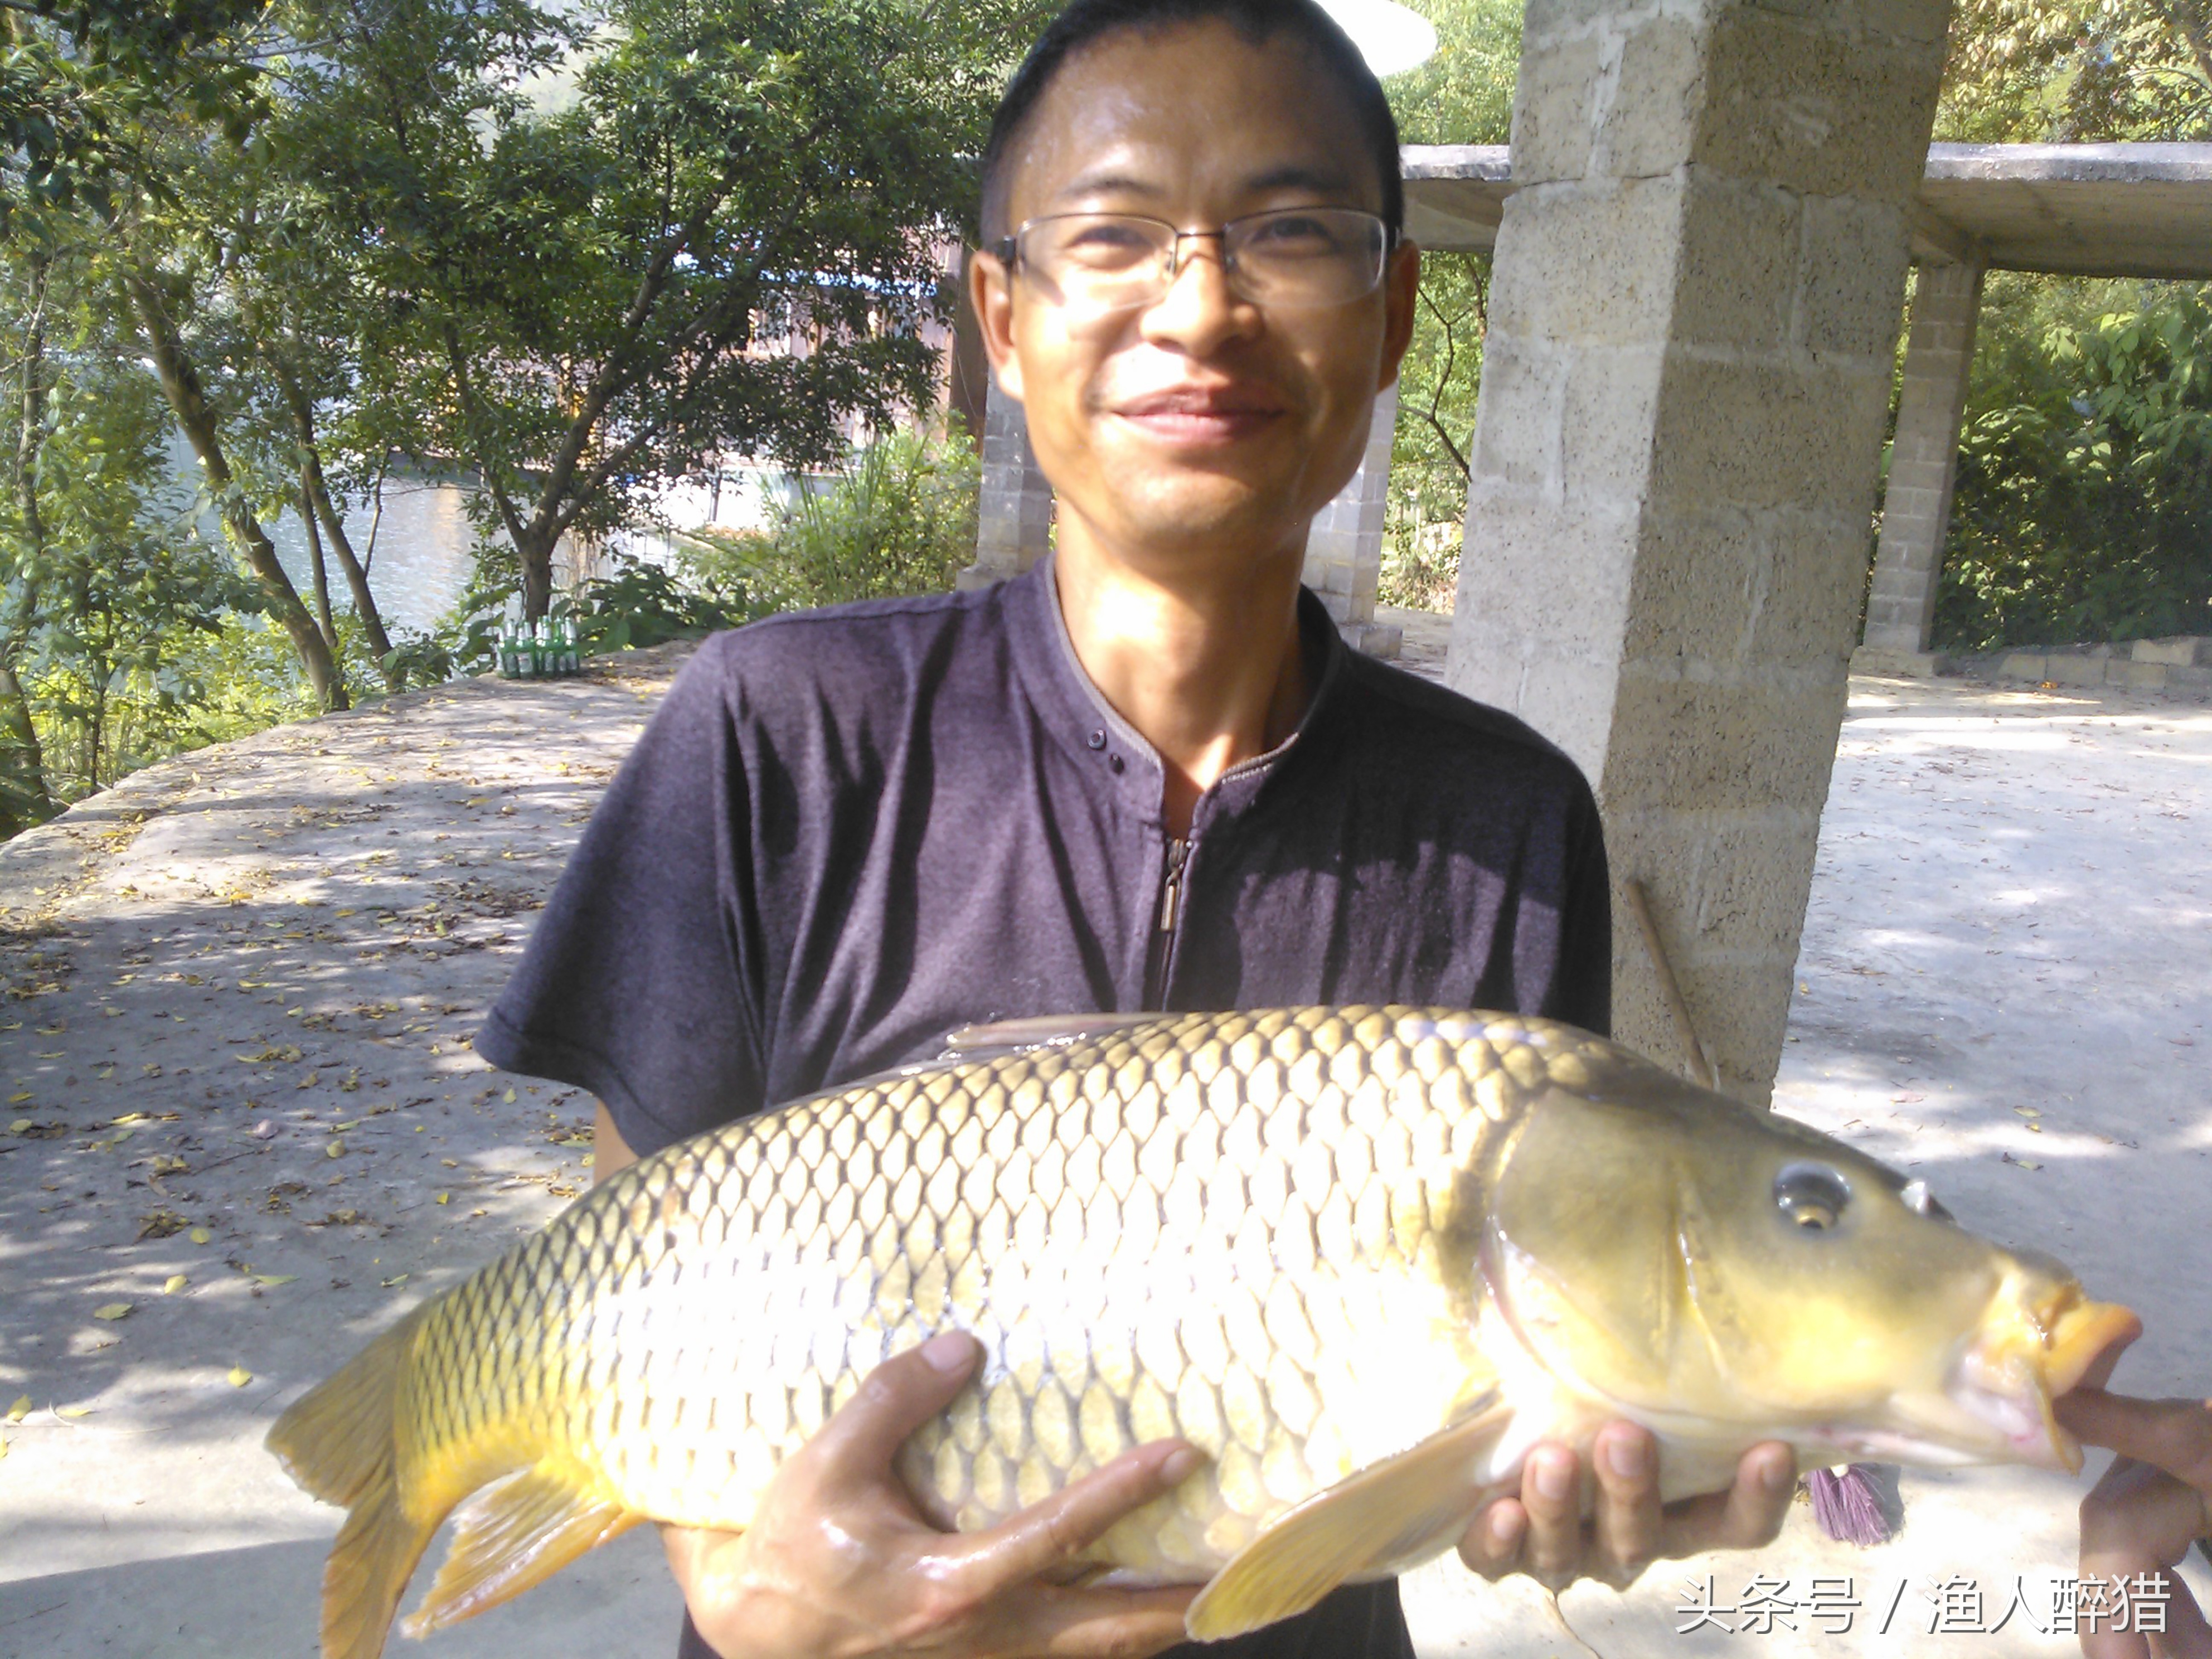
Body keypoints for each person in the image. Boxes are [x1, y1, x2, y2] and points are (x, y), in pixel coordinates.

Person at [476, 2, 1801, 1655]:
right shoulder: (778, 729)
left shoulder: (1508, 817)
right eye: (1113, 236)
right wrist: (745, 1601)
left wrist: (1576, 1463)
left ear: (1391, 319)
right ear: (1001, 316)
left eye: (1292, 233)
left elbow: (1514, 1351)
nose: (1203, 309)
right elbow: (646, 1251)